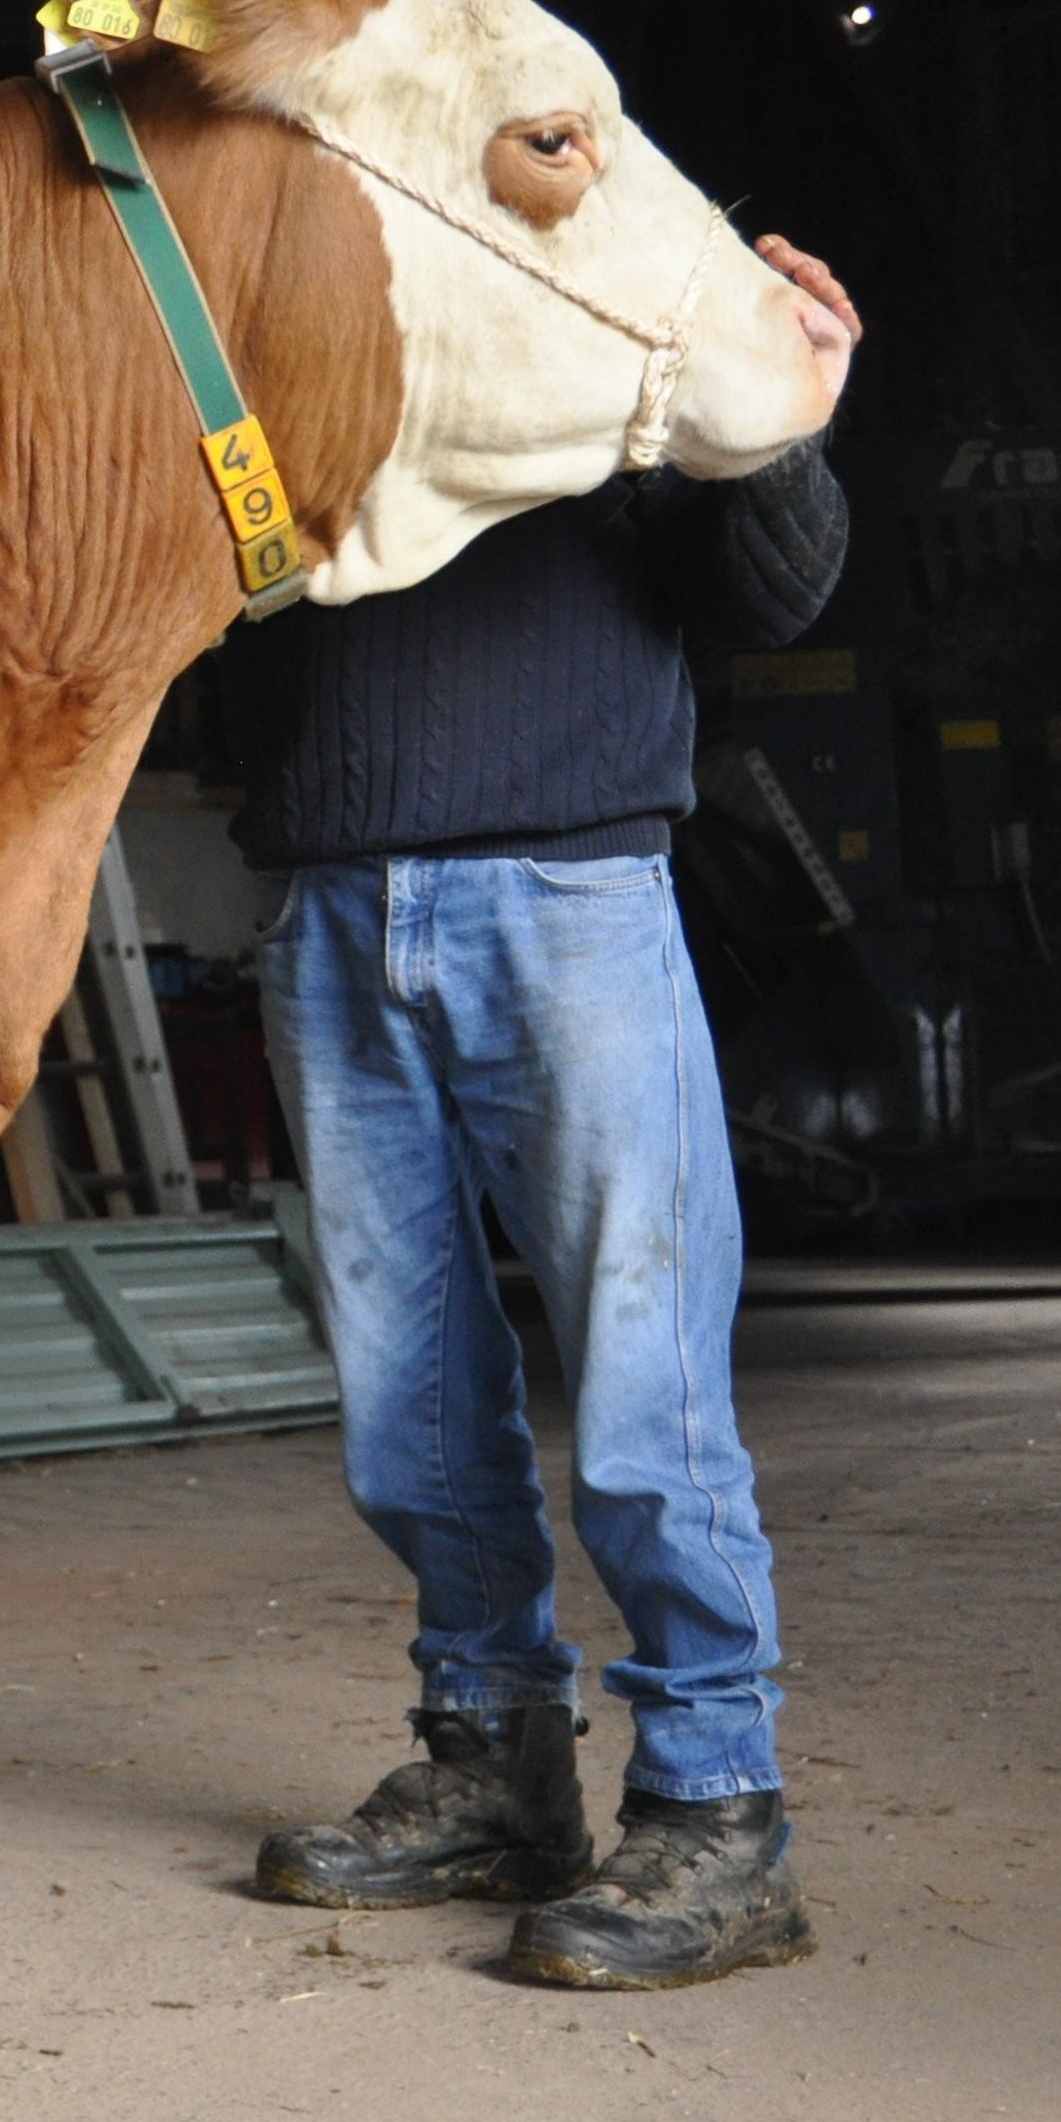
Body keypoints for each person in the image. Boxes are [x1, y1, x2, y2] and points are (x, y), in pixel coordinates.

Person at [231, 235, 861, 1990]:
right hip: (332, 901)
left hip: (566, 892)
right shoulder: (302, 313)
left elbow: (772, 594)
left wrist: (782, 416)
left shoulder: (623, 300)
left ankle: (722, 1816)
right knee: (406, 1395)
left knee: (645, 1380)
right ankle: (495, 1762)